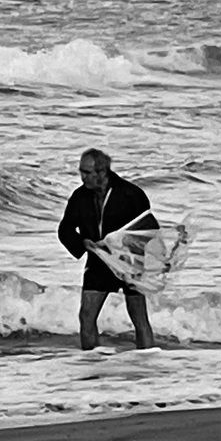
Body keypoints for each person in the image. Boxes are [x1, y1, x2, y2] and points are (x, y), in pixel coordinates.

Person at [58, 148, 157, 350]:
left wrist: (128, 249)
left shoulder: (131, 194)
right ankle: (91, 363)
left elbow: (148, 229)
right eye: (81, 172)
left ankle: (148, 364)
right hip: (98, 261)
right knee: (86, 316)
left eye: (87, 173)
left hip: (129, 261)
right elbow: (65, 229)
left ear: (102, 172)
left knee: (139, 318)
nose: (82, 177)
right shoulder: (79, 196)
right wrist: (82, 243)